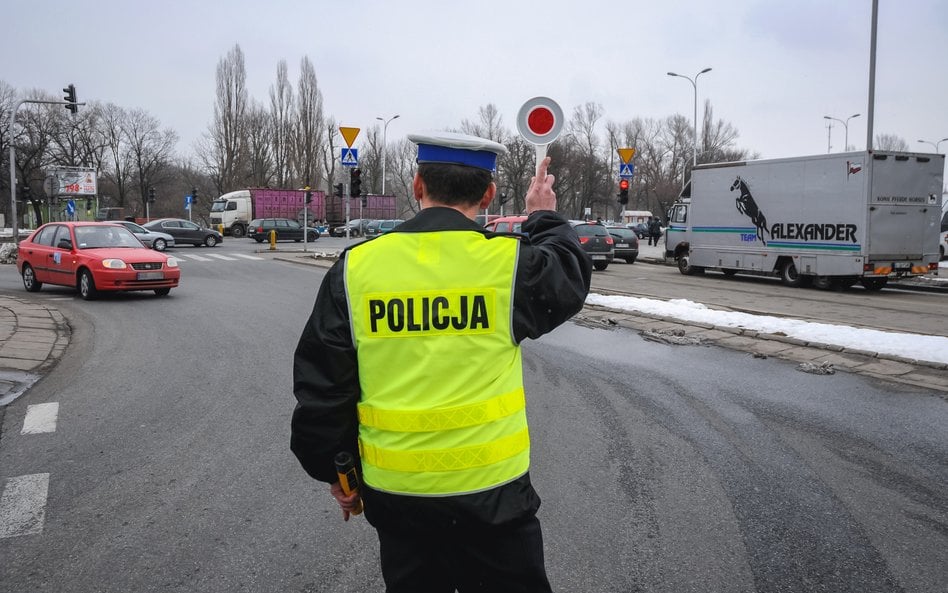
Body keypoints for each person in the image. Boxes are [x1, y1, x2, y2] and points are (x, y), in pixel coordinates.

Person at [291, 130, 592, 592]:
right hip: (494, 500)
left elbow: (323, 388)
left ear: (417, 186)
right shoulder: (509, 266)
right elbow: (569, 272)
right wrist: (542, 213)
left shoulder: (355, 270)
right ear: (488, 193)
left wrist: (340, 471)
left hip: (399, 501)